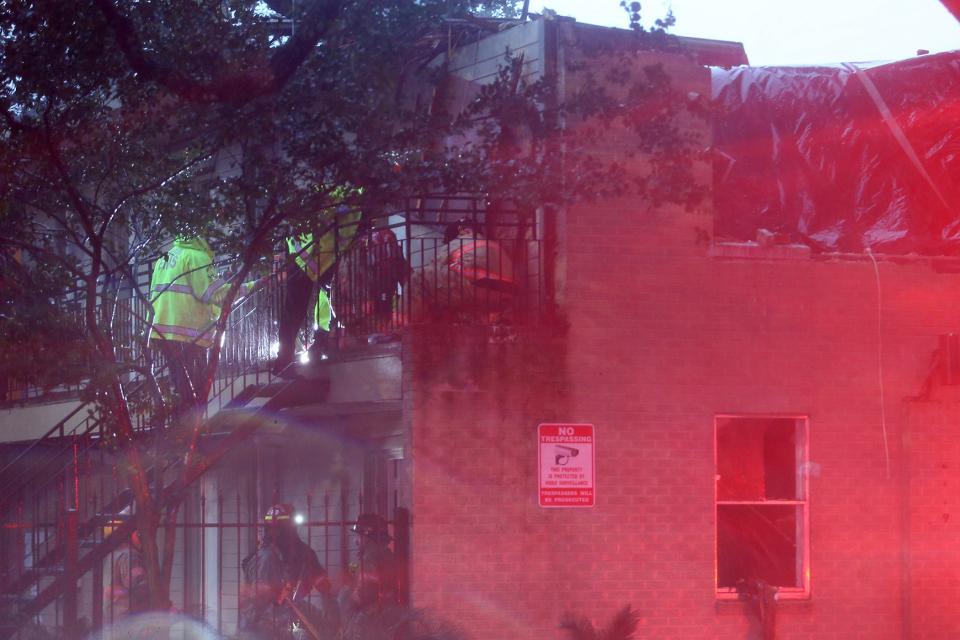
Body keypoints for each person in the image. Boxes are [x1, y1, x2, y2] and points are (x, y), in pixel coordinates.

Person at [148, 236, 252, 416]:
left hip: (163, 332)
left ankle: (182, 431)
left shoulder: (165, 259)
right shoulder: (197, 257)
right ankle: (190, 432)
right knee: (195, 390)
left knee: (181, 388)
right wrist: (251, 287)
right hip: (188, 334)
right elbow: (216, 294)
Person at [275, 209, 362, 374]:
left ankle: (317, 343)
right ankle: (284, 361)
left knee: (303, 310)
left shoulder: (346, 197)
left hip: (319, 260)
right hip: (307, 261)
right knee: (294, 314)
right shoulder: (343, 196)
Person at [239, 504, 332, 640]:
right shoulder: (266, 558)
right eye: (271, 529)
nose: (273, 533)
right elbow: (260, 602)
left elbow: (321, 582)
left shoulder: (301, 552)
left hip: (286, 614)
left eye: (277, 529)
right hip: (262, 624)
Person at [342, 513, 399, 612]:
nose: (356, 541)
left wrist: (351, 603)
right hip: (381, 610)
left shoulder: (372, 554)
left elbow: (366, 585)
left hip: (372, 613)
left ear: (367, 536)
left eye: (358, 536)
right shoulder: (380, 553)